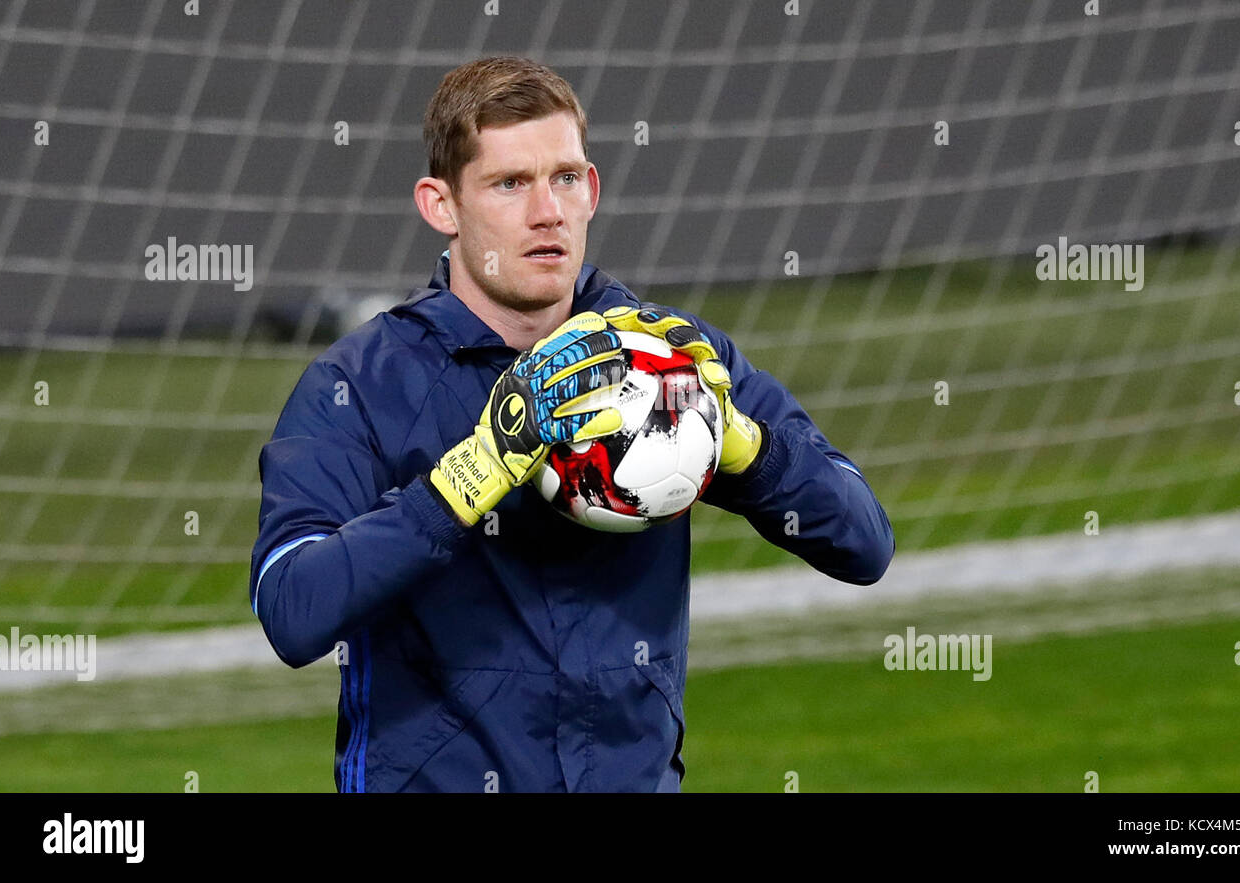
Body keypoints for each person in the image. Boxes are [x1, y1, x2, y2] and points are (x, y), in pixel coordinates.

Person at [250, 55, 894, 793]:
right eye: (509, 184)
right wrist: (477, 471)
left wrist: (742, 443)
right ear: (441, 205)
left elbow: (864, 543)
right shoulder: (359, 385)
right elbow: (293, 609)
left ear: (590, 191)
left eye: (563, 178)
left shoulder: (672, 359)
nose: (546, 211)